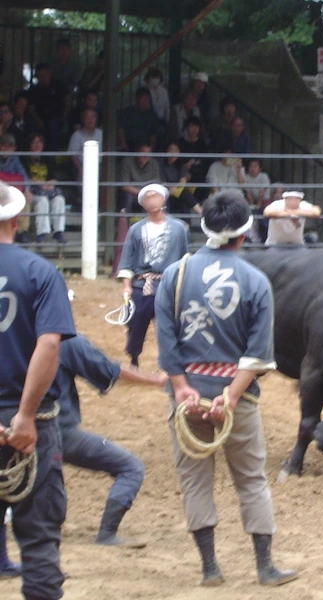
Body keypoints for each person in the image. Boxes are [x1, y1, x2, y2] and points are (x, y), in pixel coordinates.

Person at [154, 191, 298, 587]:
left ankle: (209, 568)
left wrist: (182, 387)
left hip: (187, 399)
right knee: (251, 479)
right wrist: (231, 395)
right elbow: (258, 353)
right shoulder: (255, 280)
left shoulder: (175, 275)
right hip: (237, 399)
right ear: (244, 233)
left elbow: (167, 342)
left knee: (194, 481)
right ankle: (265, 567)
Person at [0, 182, 76, 600]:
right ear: (16, 219)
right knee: (40, 542)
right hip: (29, 424)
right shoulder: (40, 271)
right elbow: (49, 344)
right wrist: (25, 414)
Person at [52, 334, 166, 548]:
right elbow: (109, 370)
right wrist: (157, 380)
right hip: (57, 431)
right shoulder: (63, 340)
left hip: (12, 428)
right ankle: (107, 533)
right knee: (131, 468)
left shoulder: (12, 338)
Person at [117, 184, 189, 367]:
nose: (153, 200)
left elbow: (184, 259)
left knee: (168, 326)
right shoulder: (135, 230)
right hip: (142, 285)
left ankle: (169, 361)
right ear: (143, 203)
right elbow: (127, 260)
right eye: (148, 198)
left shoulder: (179, 229)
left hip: (168, 284)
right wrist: (127, 286)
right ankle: (134, 358)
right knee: (136, 325)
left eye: (155, 196)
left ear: (164, 199)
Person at [25, 133, 66, 244]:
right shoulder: (25, 158)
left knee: (59, 199)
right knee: (42, 201)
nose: (37, 145)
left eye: (40, 142)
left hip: (47, 190)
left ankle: (58, 232)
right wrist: (39, 183)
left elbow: (55, 178)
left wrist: (50, 183)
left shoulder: (47, 158)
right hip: (33, 193)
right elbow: (24, 178)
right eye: (34, 142)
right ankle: (41, 234)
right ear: (29, 145)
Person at [26, 63, 70, 151]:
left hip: (58, 118)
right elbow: (31, 109)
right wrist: (38, 120)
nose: (43, 77)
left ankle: (52, 154)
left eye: (45, 74)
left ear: (49, 73)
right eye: (40, 75)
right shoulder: (34, 89)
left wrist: (65, 114)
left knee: (53, 126)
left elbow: (68, 99)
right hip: (40, 120)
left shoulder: (59, 85)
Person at [0, 134, 33, 243]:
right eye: (3, 145)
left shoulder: (15, 159)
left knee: (25, 199)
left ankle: (21, 232)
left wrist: (27, 189)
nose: (6, 148)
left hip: (11, 191)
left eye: (9, 146)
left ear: (14, 148)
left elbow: (23, 176)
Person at [161, 142, 202, 218]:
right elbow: (160, 181)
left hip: (175, 192)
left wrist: (175, 188)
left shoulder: (180, 165)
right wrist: (170, 188)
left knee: (184, 195)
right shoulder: (160, 164)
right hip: (164, 192)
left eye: (175, 151)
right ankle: (201, 213)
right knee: (183, 194)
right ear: (166, 151)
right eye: (171, 150)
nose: (173, 153)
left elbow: (183, 181)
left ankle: (189, 223)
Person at [118, 143, 161, 213]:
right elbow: (124, 186)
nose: (145, 156)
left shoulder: (154, 164)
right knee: (127, 197)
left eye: (148, 153)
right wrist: (141, 193)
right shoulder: (127, 162)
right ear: (137, 152)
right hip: (131, 194)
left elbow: (156, 185)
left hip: (148, 194)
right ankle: (124, 221)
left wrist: (147, 194)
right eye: (143, 152)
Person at [117, 87, 160, 152]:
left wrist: (151, 149)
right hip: (128, 145)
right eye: (143, 99)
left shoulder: (152, 115)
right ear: (137, 99)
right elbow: (120, 128)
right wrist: (123, 143)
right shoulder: (126, 112)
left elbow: (153, 135)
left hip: (144, 147)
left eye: (147, 99)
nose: (145, 102)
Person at [68, 107, 102, 181]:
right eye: (87, 117)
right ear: (83, 120)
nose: (90, 120)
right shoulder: (77, 135)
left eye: (92, 117)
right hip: (82, 166)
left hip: (100, 166)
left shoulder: (101, 133)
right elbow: (73, 155)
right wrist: (80, 168)